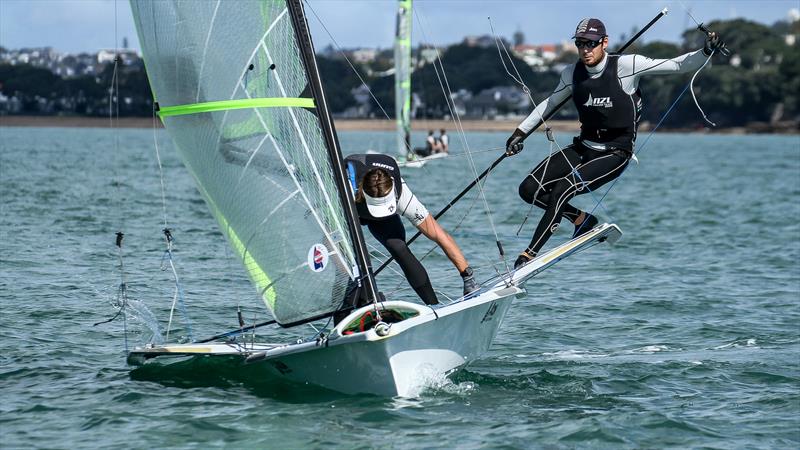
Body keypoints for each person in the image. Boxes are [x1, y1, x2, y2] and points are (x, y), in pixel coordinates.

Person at [505, 18, 725, 269]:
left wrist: (706, 50)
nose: (585, 50)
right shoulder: (571, 73)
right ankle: (581, 220)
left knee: (562, 189)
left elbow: (676, 65)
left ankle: (528, 254)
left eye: (591, 44)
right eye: (580, 44)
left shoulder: (627, 65)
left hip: (615, 153)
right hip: (583, 147)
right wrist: (520, 133)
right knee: (529, 189)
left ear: (604, 43)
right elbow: (550, 103)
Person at [344, 153, 479, 306]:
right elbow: (330, 241)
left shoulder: (402, 196)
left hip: (378, 212)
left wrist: (467, 276)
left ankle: (433, 306)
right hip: (352, 207)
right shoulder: (346, 190)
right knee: (349, 263)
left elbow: (440, 236)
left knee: (398, 247)